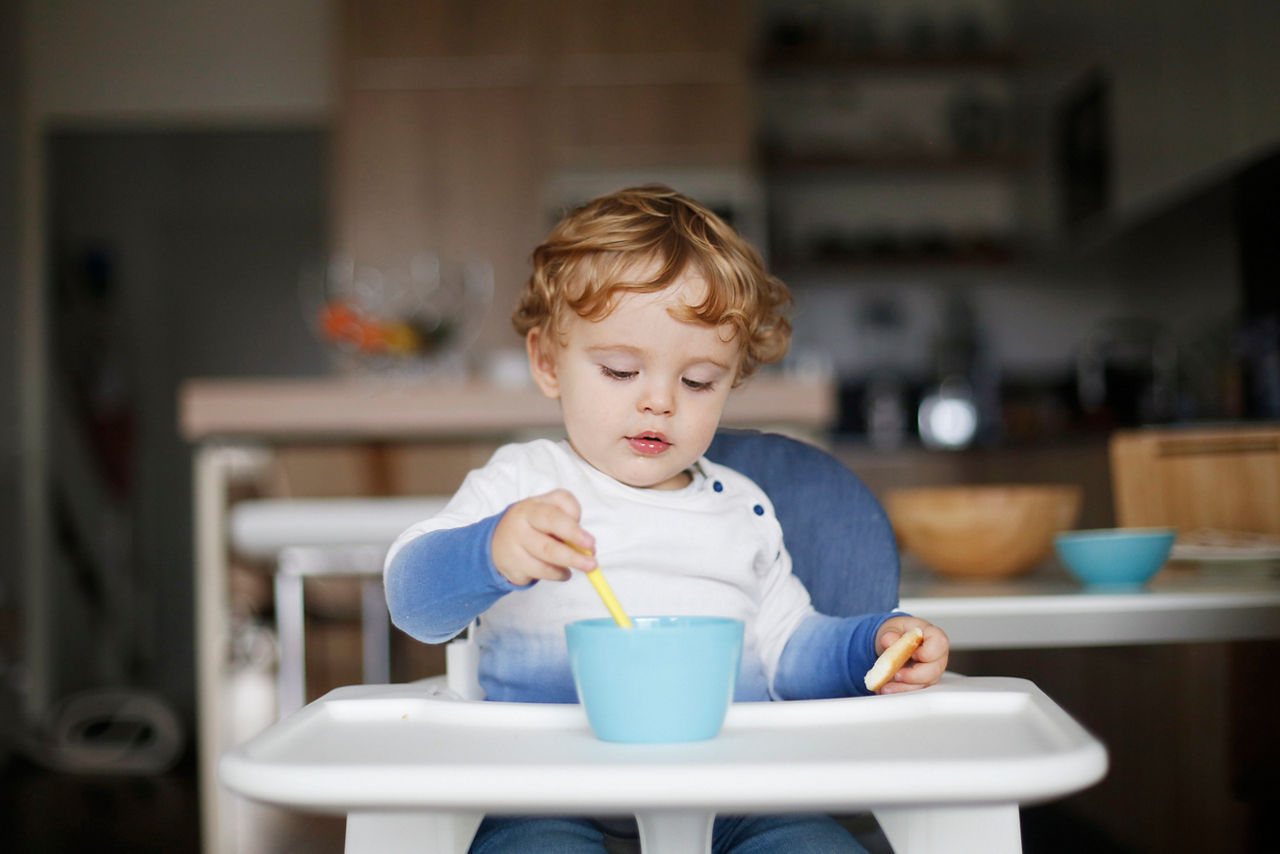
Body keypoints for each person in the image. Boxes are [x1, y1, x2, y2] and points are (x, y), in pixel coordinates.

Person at [384, 184, 950, 853]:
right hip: (543, 787)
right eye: (621, 370)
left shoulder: (742, 508)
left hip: (733, 790)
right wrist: (490, 553)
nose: (659, 401)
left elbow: (791, 651)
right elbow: (412, 602)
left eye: (698, 381)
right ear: (547, 362)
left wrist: (872, 647)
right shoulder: (523, 483)